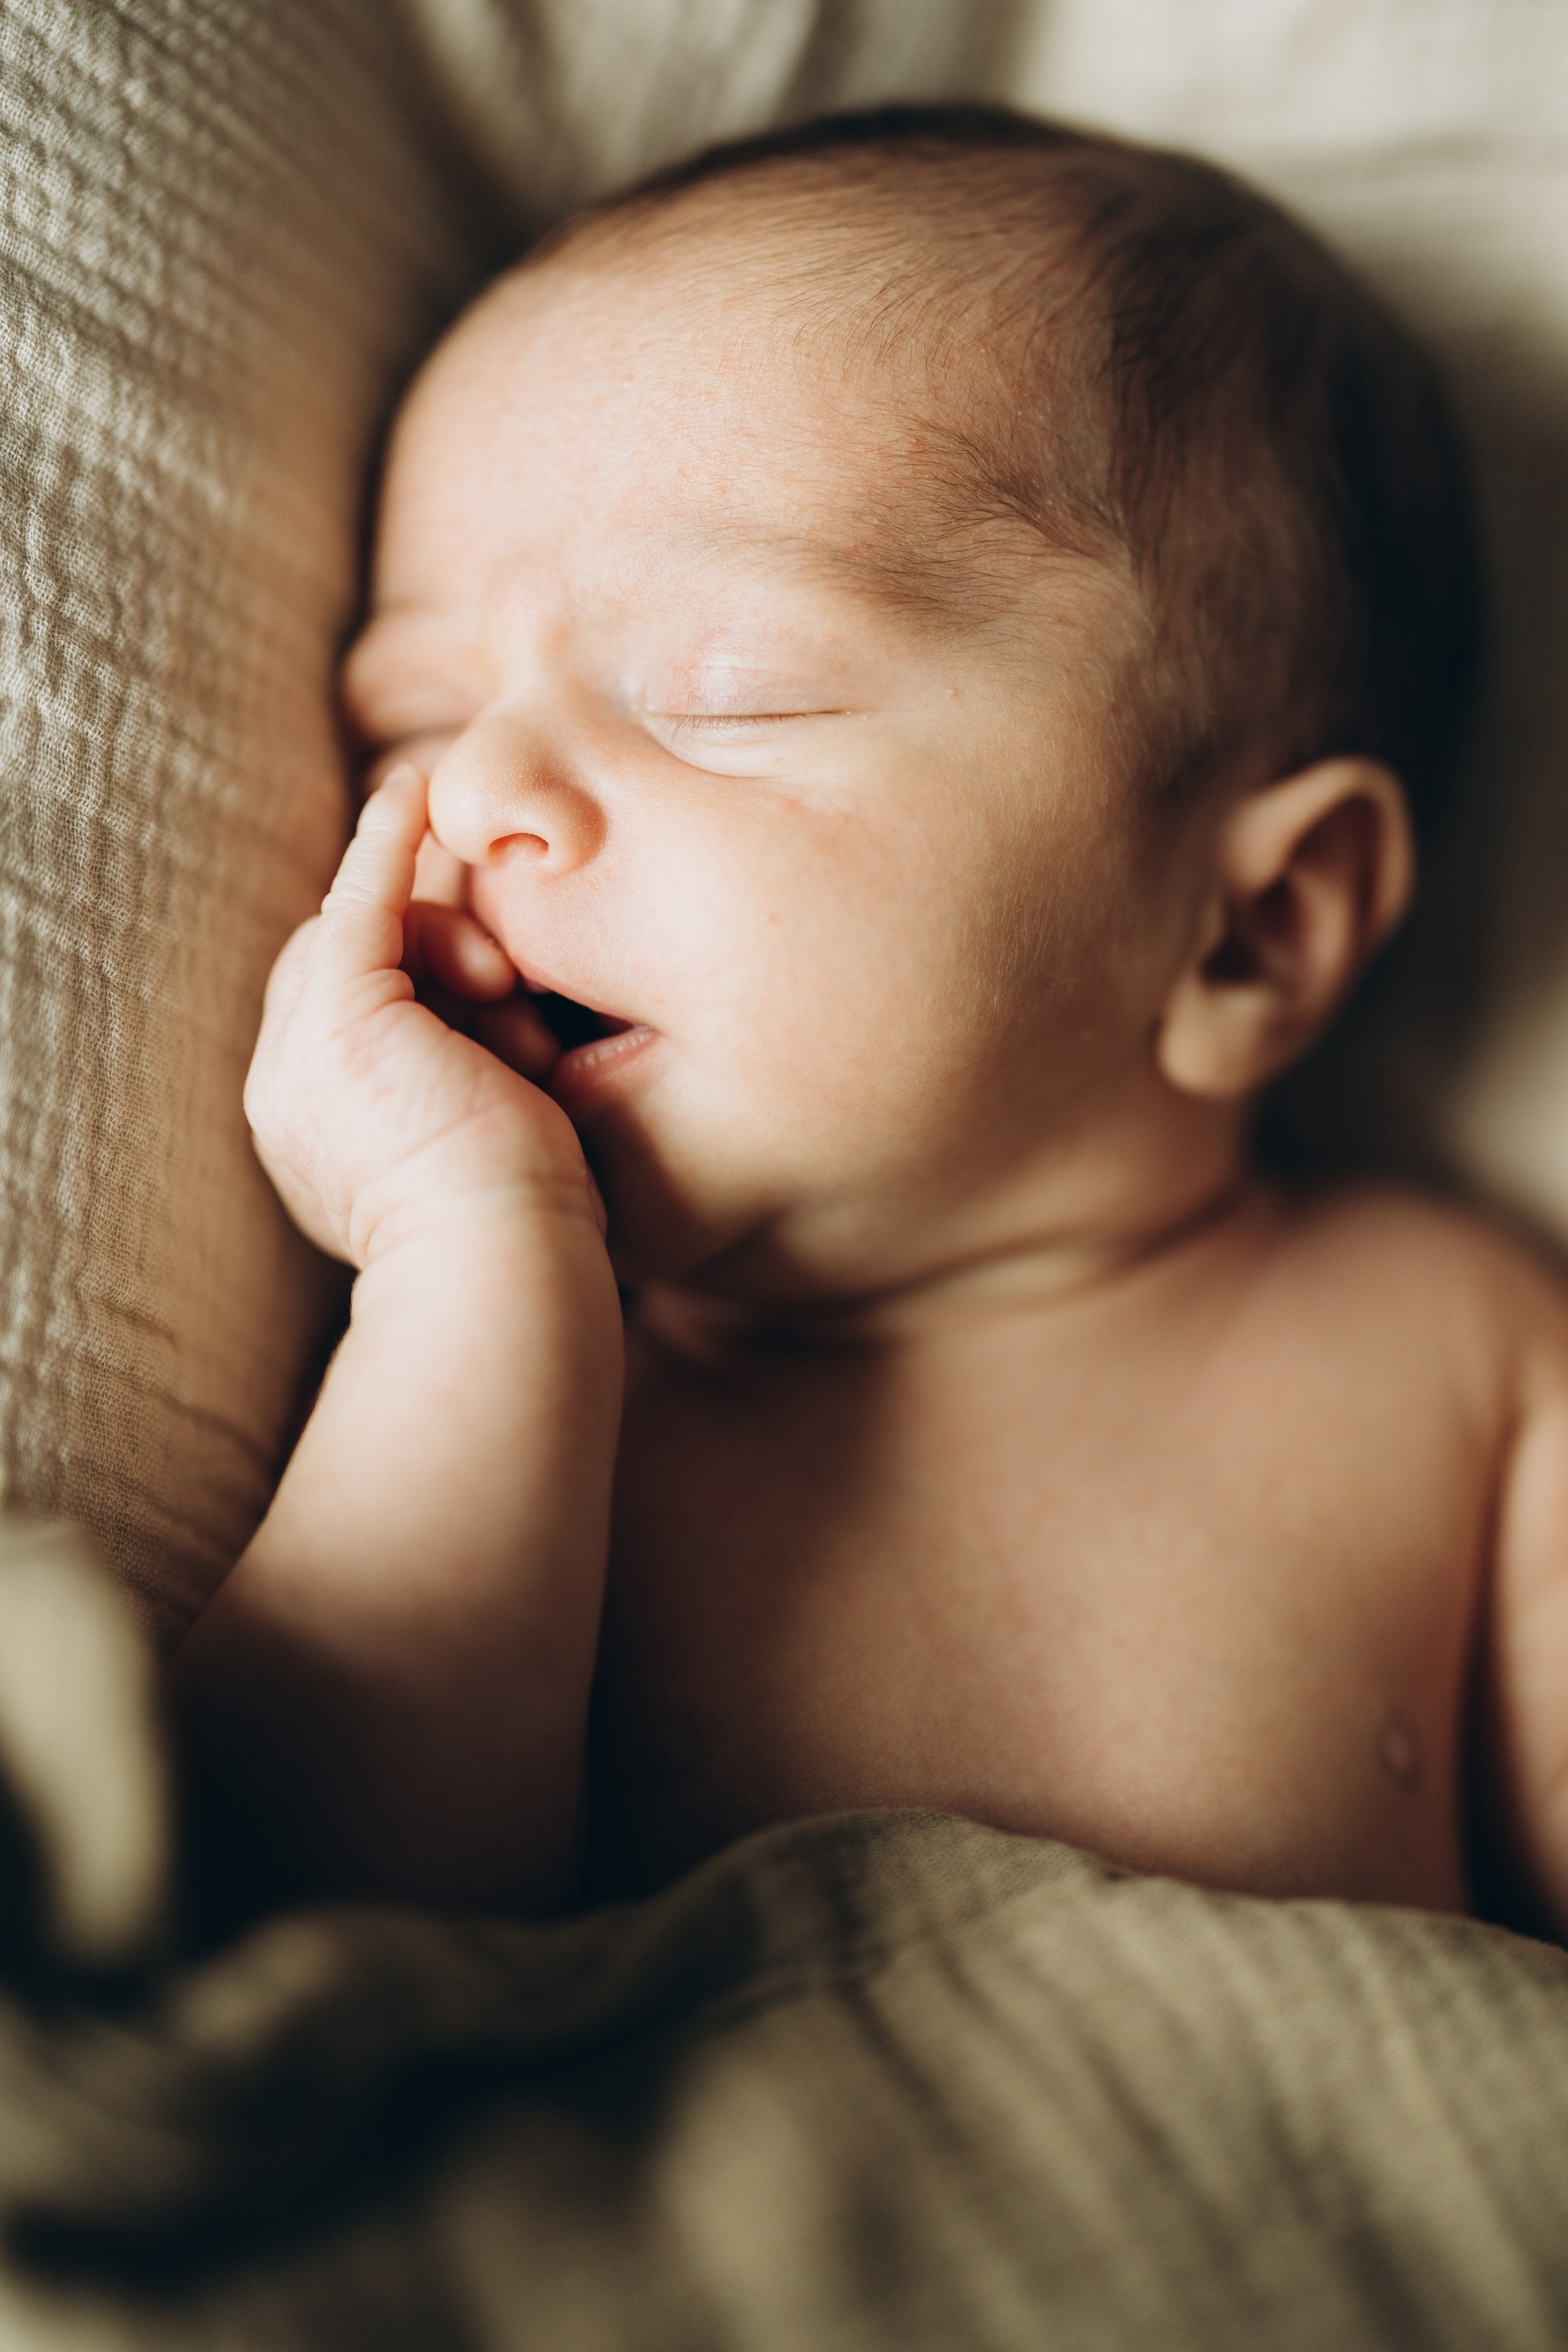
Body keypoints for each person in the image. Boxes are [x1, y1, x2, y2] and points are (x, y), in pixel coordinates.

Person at [174, 105, 1561, 1937]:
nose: (473, 793)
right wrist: (473, 1258)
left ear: (1253, 929)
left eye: (721, 691)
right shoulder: (524, 1402)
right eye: (409, 720)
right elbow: (293, 1954)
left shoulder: (1450, 1345)